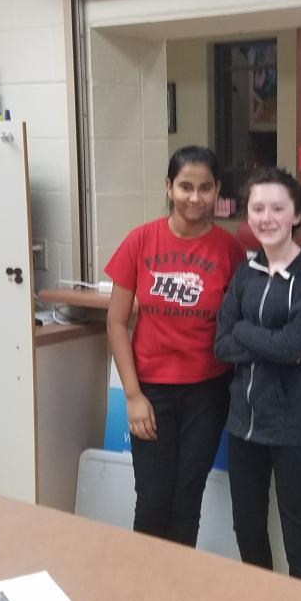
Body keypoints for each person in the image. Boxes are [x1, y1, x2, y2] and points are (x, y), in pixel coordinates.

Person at [105, 145, 246, 545]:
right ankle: (144, 582)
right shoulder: (140, 240)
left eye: (205, 188)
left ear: (217, 190)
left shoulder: (229, 249)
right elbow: (116, 322)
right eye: (185, 186)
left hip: (208, 393)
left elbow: (242, 320)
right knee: (152, 502)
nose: (195, 197)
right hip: (151, 392)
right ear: (169, 187)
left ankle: (177, 585)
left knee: (186, 503)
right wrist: (133, 395)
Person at [214, 167, 301, 585]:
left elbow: (291, 346)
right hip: (244, 422)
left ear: (296, 215)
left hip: (296, 425)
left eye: (277, 208)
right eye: (257, 208)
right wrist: (269, 341)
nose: (266, 218)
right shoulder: (245, 272)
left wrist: (245, 332)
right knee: (247, 527)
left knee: (299, 533)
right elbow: (222, 344)